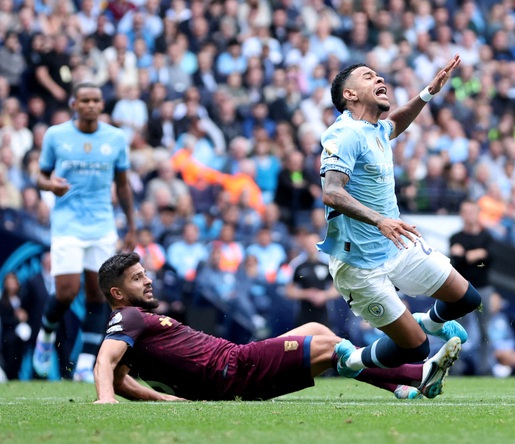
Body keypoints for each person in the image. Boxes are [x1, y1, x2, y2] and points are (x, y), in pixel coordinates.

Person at [318, 55, 482, 398]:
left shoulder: (375, 129)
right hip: (358, 264)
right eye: (368, 77)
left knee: (467, 298)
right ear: (349, 95)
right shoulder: (344, 134)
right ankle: (352, 361)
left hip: (394, 245)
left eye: (379, 75)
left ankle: (429, 321)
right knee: (416, 349)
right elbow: (332, 192)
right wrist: (380, 219)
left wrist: (426, 94)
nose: (380, 79)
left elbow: (395, 122)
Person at [93, 252, 462, 402]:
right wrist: (105, 398)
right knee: (334, 349)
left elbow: (122, 375)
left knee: (317, 330)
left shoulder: (133, 327)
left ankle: (403, 384)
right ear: (117, 292)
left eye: (144, 274)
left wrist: (163, 400)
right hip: (234, 367)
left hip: (231, 370)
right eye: (137, 278)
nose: (148, 281)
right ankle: (418, 372)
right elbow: (107, 364)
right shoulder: (128, 318)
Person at [32, 82, 136, 383]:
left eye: (96, 100)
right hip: (66, 224)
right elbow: (40, 176)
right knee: (66, 291)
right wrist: (50, 185)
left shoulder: (115, 138)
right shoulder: (56, 135)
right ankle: (47, 333)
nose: (91, 105)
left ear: (102, 105)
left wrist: (131, 225)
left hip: (102, 225)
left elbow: (123, 184)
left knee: (99, 292)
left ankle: (86, 362)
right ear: (74, 104)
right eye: (85, 100)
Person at [449, 200, 493, 375]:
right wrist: (475, 254)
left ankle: (485, 368)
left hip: (483, 288)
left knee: (485, 331)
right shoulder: (455, 237)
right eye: (465, 211)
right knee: (457, 331)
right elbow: (455, 261)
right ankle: (455, 368)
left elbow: (489, 259)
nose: (469, 215)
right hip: (461, 290)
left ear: (477, 213)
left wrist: (465, 254)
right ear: (461, 214)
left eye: (472, 211)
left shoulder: (487, 236)